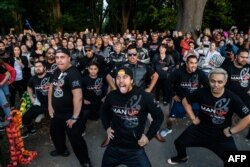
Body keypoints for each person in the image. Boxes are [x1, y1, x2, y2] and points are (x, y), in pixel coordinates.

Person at [168, 68, 250, 165]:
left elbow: (247, 117)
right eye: (213, 81)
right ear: (209, 80)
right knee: (179, 142)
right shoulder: (201, 92)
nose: (216, 85)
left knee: (237, 160)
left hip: (221, 135)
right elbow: (186, 101)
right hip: (200, 130)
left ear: (225, 82)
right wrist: (193, 118)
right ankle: (182, 157)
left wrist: (232, 131)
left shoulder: (232, 97)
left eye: (220, 82)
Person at [100, 66, 163, 167]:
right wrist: (107, 127)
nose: (121, 81)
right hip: (114, 147)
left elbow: (159, 116)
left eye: (125, 77)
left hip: (135, 149)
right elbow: (103, 110)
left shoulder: (145, 96)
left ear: (132, 80)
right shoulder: (112, 96)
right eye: (118, 78)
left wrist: (148, 136)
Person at [48, 48, 91, 167]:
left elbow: (78, 97)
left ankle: (85, 161)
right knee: (56, 133)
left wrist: (75, 117)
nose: (59, 60)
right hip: (56, 113)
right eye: (57, 57)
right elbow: (51, 87)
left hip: (70, 114)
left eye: (62, 57)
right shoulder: (56, 70)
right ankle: (62, 150)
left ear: (69, 59)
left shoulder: (74, 73)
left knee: (76, 139)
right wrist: (50, 106)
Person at [156, 55, 209, 142]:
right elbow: (167, 83)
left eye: (195, 63)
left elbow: (207, 86)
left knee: (201, 118)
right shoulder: (178, 72)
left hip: (195, 101)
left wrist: (203, 96)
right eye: (191, 63)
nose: (194, 65)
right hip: (180, 101)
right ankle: (168, 129)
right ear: (186, 63)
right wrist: (173, 95)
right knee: (170, 119)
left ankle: (200, 132)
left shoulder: (200, 73)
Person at [221, 48, 250, 140]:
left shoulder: (248, 67)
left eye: (246, 57)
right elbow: (221, 82)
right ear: (236, 56)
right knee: (225, 117)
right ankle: (224, 133)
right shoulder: (227, 67)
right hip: (231, 96)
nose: (244, 59)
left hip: (246, 96)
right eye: (242, 57)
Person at [22, 61, 52, 137]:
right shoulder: (33, 79)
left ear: (44, 68)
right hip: (40, 104)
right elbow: (29, 87)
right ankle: (31, 130)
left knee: (57, 120)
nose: (38, 68)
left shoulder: (51, 76)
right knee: (25, 117)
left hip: (53, 103)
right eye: (36, 66)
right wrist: (32, 98)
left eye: (40, 66)